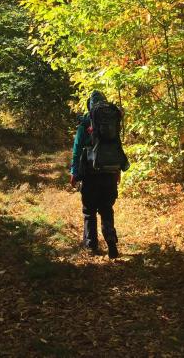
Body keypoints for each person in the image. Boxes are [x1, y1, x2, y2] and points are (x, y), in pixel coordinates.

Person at [70, 90, 128, 257]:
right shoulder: (112, 124)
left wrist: (74, 172)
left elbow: (77, 150)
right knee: (106, 208)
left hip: (90, 173)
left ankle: (91, 245)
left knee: (89, 210)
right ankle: (110, 238)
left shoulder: (85, 123)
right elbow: (117, 148)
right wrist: (117, 171)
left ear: (89, 105)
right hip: (110, 172)